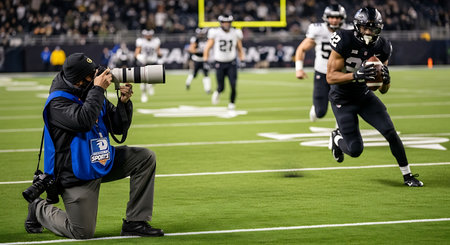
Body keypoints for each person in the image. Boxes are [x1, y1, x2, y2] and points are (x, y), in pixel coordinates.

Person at [24, 53, 164, 239]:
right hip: (75, 173)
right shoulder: (57, 102)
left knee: (145, 158)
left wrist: (123, 103)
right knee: (82, 232)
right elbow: (84, 121)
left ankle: (135, 222)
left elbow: (118, 127)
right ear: (80, 81)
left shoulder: (89, 91)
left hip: (101, 160)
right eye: (92, 75)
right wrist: (97, 90)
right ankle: (38, 207)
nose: (97, 76)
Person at [326, 7, 423, 187]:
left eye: (374, 28)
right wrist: (356, 76)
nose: (369, 32)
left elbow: (382, 90)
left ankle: (408, 175)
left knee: (390, 132)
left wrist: (386, 80)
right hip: (342, 99)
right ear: (357, 27)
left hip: (364, 96)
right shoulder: (344, 39)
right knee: (355, 150)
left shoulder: (383, 46)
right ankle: (337, 139)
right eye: (365, 28)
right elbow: (330, 77)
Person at [295, 4, 350, 122]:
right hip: (322, 72)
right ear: (326, 17)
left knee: (344, 106)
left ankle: (341, 132)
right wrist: (299, 69)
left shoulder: (349, 31)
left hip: (340, 74)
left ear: (342, 18)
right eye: (331, 17)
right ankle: (316, 108)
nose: (334, 20)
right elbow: (301, 49)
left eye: (337, 17)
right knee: (320, 112)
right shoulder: (318, 29)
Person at [203, 15, 245, 110]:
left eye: (228, 22)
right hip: (219, 62)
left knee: (233, 85)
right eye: (224, 22)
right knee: (221, 87)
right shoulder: (215, 32)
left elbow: (239, 48)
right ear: (221, 23)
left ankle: (232, 103)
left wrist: (242, 60)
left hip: (231, 63)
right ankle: (218, 92)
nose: (226, 24)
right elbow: (207, 48)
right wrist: (205, 60)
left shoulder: (236, 33)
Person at [135, 29, 162, 102]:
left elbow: (158, 51)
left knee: (156, 77)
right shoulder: (141, 41)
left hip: (153, 61)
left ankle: (150, 86)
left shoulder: (156, 41)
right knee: (144, 80)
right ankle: (143, 94)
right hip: (145, 62)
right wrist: (140, 58)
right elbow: (136, 53)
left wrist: (160, 55)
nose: (148, 36)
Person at [185, 28, 211, 93]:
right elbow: (191, 49)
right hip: (196, 59)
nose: (201, 35)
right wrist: (198, 50)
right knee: (194, 74)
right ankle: (188, 83)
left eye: (202, 34)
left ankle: (207, 89)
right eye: (200, 33)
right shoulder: (195, 40)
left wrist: (206, 56)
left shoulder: (207, 39)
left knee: (206, 74)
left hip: (203, 59)